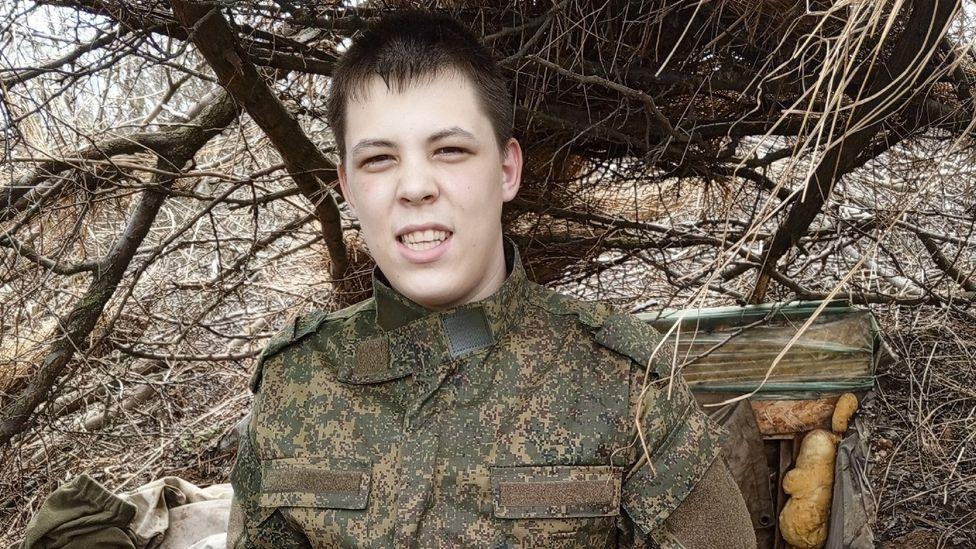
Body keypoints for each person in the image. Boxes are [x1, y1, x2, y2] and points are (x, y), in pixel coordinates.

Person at [227, 9, 756, 548]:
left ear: (506, 170)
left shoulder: (626, 384)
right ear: (346, 186)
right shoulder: (295, 382)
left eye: (450, 150)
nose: (414, 186)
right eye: (379, 159)